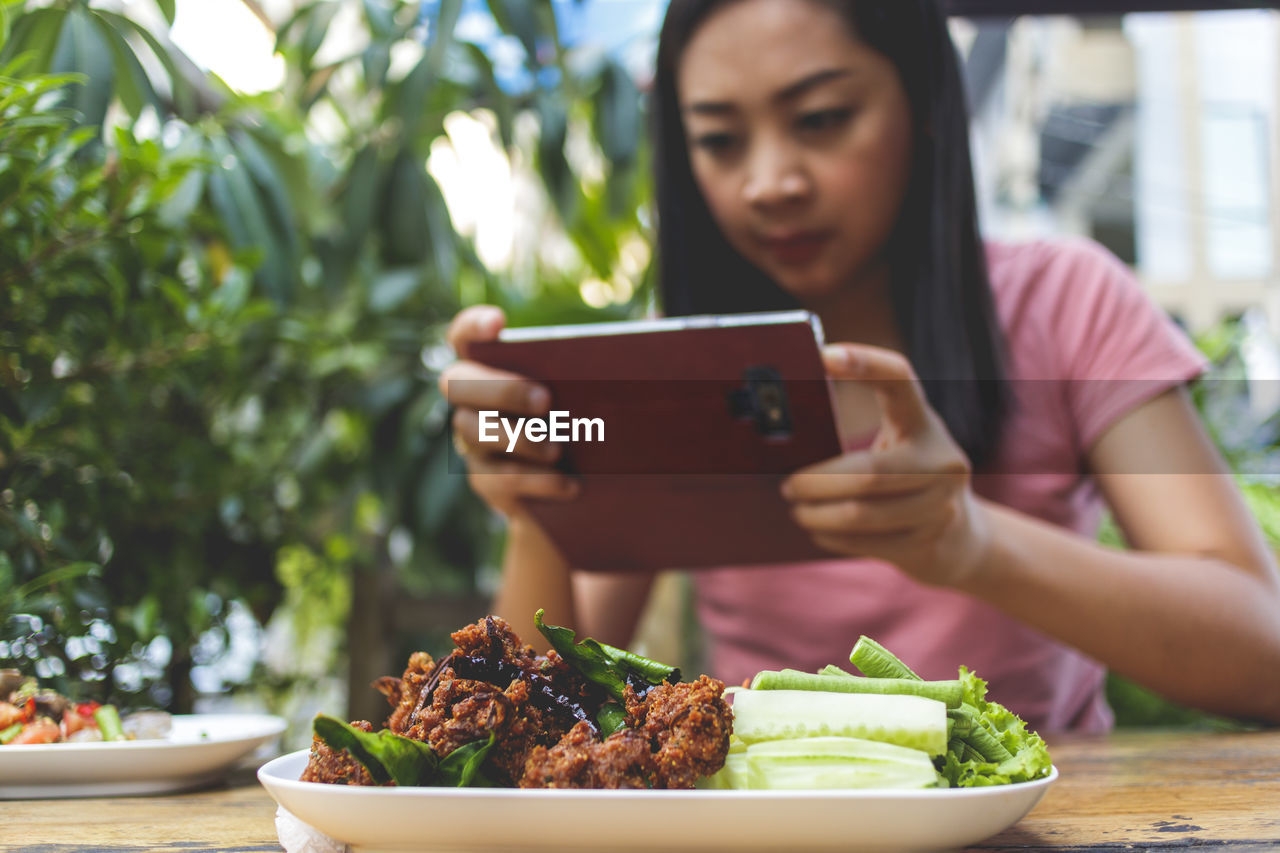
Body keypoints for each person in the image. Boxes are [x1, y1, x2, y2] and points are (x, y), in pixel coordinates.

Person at [441, 0, 1280, 731]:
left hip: (1028, 815)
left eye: (822, 118)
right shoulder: (682, 363)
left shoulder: (1066, 303)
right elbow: (537, 703)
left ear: (922, 101)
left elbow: (1262, 646)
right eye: (719, 140)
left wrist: (972, 542)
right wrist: (534, 490)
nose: (770, 182)